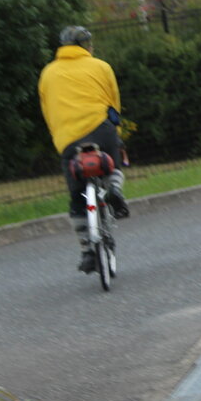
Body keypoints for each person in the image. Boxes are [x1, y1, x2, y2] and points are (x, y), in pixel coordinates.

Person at [38, 25, 129, 273]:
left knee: (77, 195)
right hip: (101, 129)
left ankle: (87, 251)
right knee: (113, 165)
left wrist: (60, 139)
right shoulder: (101, 66)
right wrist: (117, 136)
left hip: (69, 139)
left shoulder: (48, 73)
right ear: (86, 45)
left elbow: (48, 111)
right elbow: (113, 104)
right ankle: (114, 189)